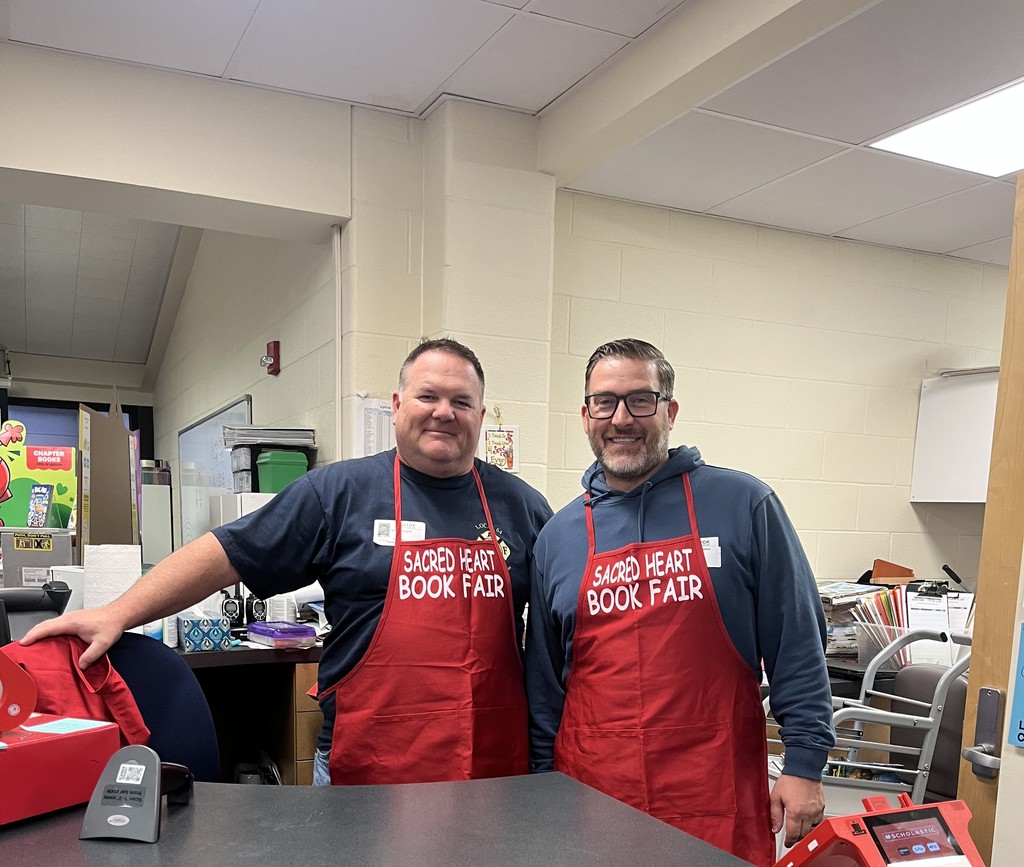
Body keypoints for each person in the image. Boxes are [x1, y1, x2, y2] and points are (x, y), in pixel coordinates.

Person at [23, 338, 553, 786]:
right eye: (428, 395)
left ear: (480, 416)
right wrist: (117, 613)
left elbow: (557, 636)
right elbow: (226, 553)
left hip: (492, 771)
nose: (444, 411)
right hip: (368, 768)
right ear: (397, 404)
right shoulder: (339, 492)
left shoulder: (523, 506)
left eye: (461, 401)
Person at [525, 338, 834, 866]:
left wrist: (804, 765)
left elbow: (797, 643)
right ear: (585, 416)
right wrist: (536, 782)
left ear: (669, 410)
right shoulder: (559, 535)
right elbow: (544, 682)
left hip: (713, 791)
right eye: (605, 402)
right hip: (591, 791)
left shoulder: (744, 504)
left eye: (640, 400)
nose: (622, 418)